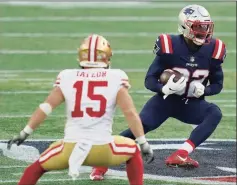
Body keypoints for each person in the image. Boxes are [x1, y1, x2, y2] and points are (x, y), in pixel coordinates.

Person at [91, 4, 226, 180]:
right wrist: (164, 88)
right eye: (198, 26)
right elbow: (149, 80)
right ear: (185, 26)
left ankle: (181, 154)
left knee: (214, 113)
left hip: (191, 103)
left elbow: (218, 84)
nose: (204, 31)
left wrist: (204, 90)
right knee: (139, 128)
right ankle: (102, 160)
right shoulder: (169, 45)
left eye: (206, 26)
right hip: (166, 100)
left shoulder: (213, 49)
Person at [7, 34, 154, 185]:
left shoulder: (67, 76)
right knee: (133, 151)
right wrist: (143, 142)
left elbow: (46, 108)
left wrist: (25, 133)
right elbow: (130, 113)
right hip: (103, 149)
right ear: (107, 57)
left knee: (34, 169)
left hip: (70, 149)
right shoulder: (116, 77)